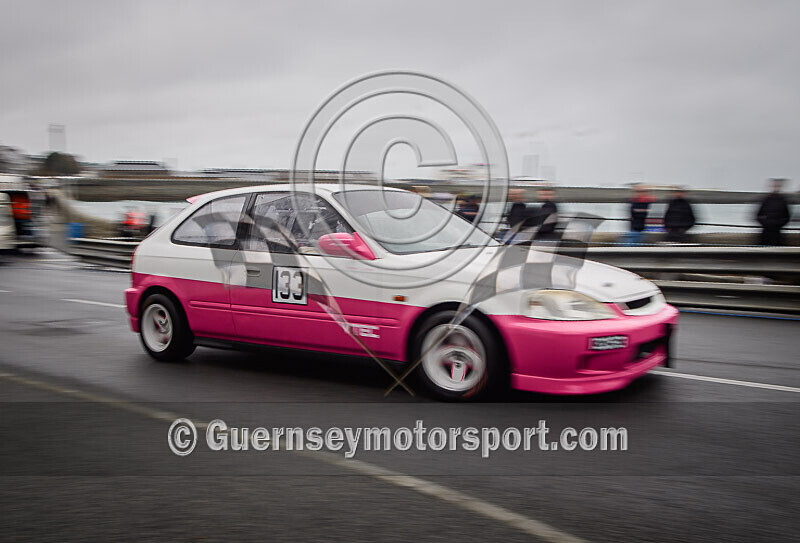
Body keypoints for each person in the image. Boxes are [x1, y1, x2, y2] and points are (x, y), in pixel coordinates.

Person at [756, 178, 791, 246]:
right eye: (775, 185)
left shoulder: (783, 200)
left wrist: (778, 224)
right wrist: (766, 223)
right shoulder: (766, 199)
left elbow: (787, 216)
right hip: (766, 230)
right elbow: (758, 215)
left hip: (777, 231)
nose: (776, 187)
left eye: (778, 186)